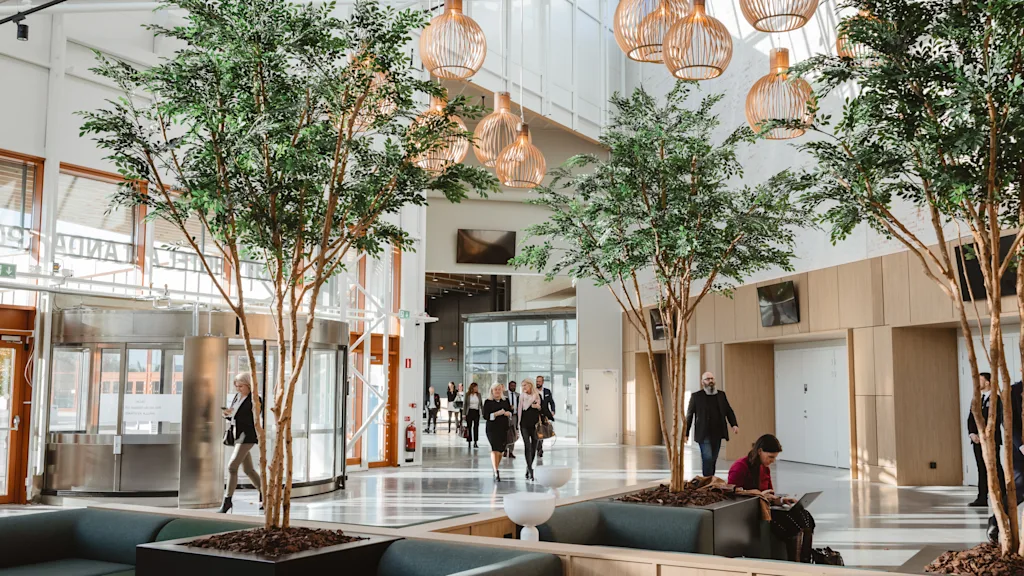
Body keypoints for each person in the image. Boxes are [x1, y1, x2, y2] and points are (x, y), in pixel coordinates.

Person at [728, 434, 816, 563]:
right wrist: (758, 494)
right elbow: (731, 494)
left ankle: (804, 560)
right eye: (770, 457)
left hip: (767, 508)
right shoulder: (739, 467)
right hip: (752, 512)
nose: (772, 461)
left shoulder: (765, 469)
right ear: (759, 451)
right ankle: (795, 563)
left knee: (806, 518)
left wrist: (780, 501)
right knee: (794, 525)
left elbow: (769, 494)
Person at [219, 373, 262, 514]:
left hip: (247, 436)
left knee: (232, 467)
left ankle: (227, 501)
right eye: (236, 386)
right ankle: (266, 493)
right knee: (248, 469)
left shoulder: (256, 399)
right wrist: (227, 414)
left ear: (249, 385)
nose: (238, 389)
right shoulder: (237, 397)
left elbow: (253, 419)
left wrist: (235, 415)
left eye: (241, 386)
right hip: (237, 435)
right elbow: (234, 416)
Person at [988, 380, 1024, 544]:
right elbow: (1008, 422)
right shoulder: (1013, 391)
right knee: (1019, 489)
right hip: (1020, 452)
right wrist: (1021, 445)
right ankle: (996, 521)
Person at [684, 371, 739, 477]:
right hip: (703, 433)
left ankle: (710, 479)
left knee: (713, 458)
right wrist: (686, 433)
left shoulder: (721, 395)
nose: (710, 381)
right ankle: (707, 480)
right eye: (707, 379)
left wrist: (734, 424)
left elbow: (728, 410)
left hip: (718, 432)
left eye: (712, 379)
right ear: (702, 382)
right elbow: (689, 415)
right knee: (707, 457)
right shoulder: (696, 396)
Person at [967, 372, 1003, 507]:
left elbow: (996, 419)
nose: (977, 384)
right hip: (977, 441)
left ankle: (1003, 496)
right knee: (981, 468)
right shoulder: (976, 399)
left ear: (987, 382)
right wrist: (972, 434)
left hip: (991, 440)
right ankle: (982, 497)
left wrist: (985, 435)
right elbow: (970, 418)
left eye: (980, 380)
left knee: (996, 468)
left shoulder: (996, 399)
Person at [484, 383, 514, 481]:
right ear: (492, 391)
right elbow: (485, 416)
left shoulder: (505, 401)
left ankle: (496, 466)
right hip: (492, 429)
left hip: (503, 428)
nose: (497, 391)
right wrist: (496, 414)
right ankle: (496, 470)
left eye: (499, 389)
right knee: (494, 448)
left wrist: (507, 413)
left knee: (501, 450)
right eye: (495, 389)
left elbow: (510, 412)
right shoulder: (488, 402)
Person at [518, 377, 542, 480]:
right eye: (522, 385)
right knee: (527, 446)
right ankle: (530, 469)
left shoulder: (537, 396)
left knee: (534, 447)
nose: (523, 387)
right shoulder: (521, 397)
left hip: (535, 425)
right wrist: (517, 424)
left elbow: (543, 409)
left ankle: (528, 468)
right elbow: (519, 410)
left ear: (530, 385)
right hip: (524, 424)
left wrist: (538, 407)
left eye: (525, 385)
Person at [536, 375, 555, 458]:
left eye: (539, 381)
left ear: (543, 382)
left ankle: (539, 447)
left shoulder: (547, 391)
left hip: (545, 414)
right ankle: (538, 448)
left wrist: (553, 411)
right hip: (535, 414)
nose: (538, 383)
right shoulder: (533, 391)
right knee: (537, 431)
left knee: (542, 431)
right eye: (537, 381)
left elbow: (551, 402)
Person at [463, 382, 482, 448]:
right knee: (469, 427)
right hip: (469, 412)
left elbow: (481, 404)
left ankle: (475, 442)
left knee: (476, 427)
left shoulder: (479, 395)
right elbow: (465, 404)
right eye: (475, 387)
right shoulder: (467, 395)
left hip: (476, 412)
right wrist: (464, 414)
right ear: (472, 387)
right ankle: (469, 441)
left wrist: (483, 412)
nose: (477, 388)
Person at [505, 380, 518, 459]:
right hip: (506, 416)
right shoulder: (504, 394)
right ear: (509, 386)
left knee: (513, 434)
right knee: (505, 433)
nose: (513, 387)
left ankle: (511, 451)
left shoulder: (518, 395)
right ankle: (505, 450)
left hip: (514, 416)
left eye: (514, 386)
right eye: (512, 385)